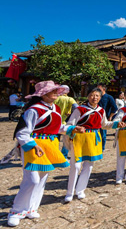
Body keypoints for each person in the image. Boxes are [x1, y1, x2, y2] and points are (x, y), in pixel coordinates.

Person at [7, 81, 84, 227]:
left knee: (42, 179)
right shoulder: (33, 110)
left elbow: (57, 127)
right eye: (52, 90)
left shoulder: (55, 108)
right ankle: (16, 211)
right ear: (43, 94)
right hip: (33, 146)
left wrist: (73, 128)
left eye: (56, 90)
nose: (56, 92)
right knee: (32, 180)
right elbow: (22, 132)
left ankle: (31, 208)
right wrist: (33, 145)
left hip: (49, 145)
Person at [65, 88, 125, 202]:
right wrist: (74, 129)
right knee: (76, 166)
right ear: (88, 96)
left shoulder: (101, 111)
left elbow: (104, 124)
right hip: (79, 139)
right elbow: (69, 125)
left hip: (93, 139)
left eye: (97, 95)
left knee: (88, 166)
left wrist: (117, 124)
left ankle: (80, 190)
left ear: (100, 97)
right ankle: (69, 192)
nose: (94, 98)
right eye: (92, 95)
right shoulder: (80, 110)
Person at [53, 93, 78, 158]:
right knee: (66, 140)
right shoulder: (70, 99)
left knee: (55, 140)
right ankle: (63, 156)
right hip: (66, 122)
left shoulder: (56, 98)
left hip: (55, 122)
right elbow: (76, 107)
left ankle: (54, 155)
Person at [97, 84, 118, 151]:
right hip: (96, 117)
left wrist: (110, 116)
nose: (97, 90)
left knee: (103, 134)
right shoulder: (96, 97)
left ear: (104, 89)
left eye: (99, 89)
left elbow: (115, 108)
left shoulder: (109, 97)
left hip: (104, 118)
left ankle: (102, 148)